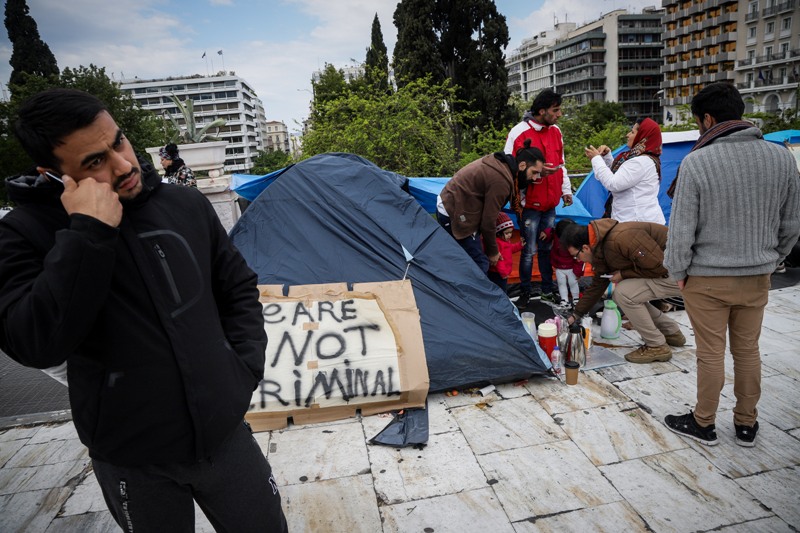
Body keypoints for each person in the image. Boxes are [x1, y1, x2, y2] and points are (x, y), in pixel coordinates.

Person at [0, 89, 287, 532]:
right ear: (53, 174)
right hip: (132, 456)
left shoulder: (184, 204)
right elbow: (33, 342)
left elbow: (238, 288)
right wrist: (87, 233)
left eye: (118, 142)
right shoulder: (24, 235)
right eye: (94, 162)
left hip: (223, 433)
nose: (124, 165)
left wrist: (242, 370)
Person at [663, 82, 800, 447]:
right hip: (757, 276)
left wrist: (678, 273)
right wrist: (772, 261)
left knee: (710, 354)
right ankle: (745, 424)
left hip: (706, 279)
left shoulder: (697, 162)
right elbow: (792, 224)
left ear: (707, 119)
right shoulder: (781, 157)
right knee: (748, 350)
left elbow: (681, 231)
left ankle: (703, 422)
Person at [560, 220, 686, 363]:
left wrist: (623, 274)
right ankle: (671, 332)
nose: (577, 261)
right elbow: (597, 286)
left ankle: (656, 345)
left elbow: (659, 266)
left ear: (585, 248)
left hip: (684, 273)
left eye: (576, 256)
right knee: (628, 292)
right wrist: (576, 315)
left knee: (624, 293)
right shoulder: (600, 247)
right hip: (670, 271)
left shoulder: (621, 238)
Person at [504, 89, 573, 307]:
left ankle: (546, 289)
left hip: (550, 204)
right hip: (529, 206)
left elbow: (561, 163)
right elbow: (509, 170)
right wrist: (536, 176)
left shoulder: (556, 132)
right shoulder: (519, 133)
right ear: (542, 111)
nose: (559, 114)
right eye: (556, 110)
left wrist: (566, 190)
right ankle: (524, 292)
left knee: (546, 248)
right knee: (529, 250)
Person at [438, 142, 545, 273]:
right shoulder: (501, 181)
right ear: (522, 165)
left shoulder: (503, 166)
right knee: (479, 264)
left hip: (456, 203)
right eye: (534, 172)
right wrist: (493, 252)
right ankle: (468, 293)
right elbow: (488, 222)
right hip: (453, 210)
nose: (535, 178)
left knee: (468, 259)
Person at [584, 117, 665, 224]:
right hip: (638, 222)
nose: (628, 135)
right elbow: (622, 176)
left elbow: (613, 183)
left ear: (642, 136)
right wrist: (607, 158)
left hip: (637, 224)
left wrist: (596, 159)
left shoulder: (640, 162)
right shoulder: (642, 158)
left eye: (632, 132)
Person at [540, 219, 583, 310]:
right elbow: (551, 231)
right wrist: (546, 233)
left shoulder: (574, 240)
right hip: (559, 267)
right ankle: (564, 300)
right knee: (561, 284)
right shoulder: (557, 234)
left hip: (571, 267)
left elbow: (580, 259)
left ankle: (576, 299)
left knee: (573, 283)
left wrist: (578, 273)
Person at [487, 212, 524, 293]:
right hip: (498, 273)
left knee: (501, 289)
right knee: (501, 290)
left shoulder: (505, 241)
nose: (509, 235)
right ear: (499, 233)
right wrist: (503, 273)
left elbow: (511, 248)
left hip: (504, 272)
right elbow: (499, 261)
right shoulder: (497, 243)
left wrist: (520, 245)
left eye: (511, 232)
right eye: (507, 233)